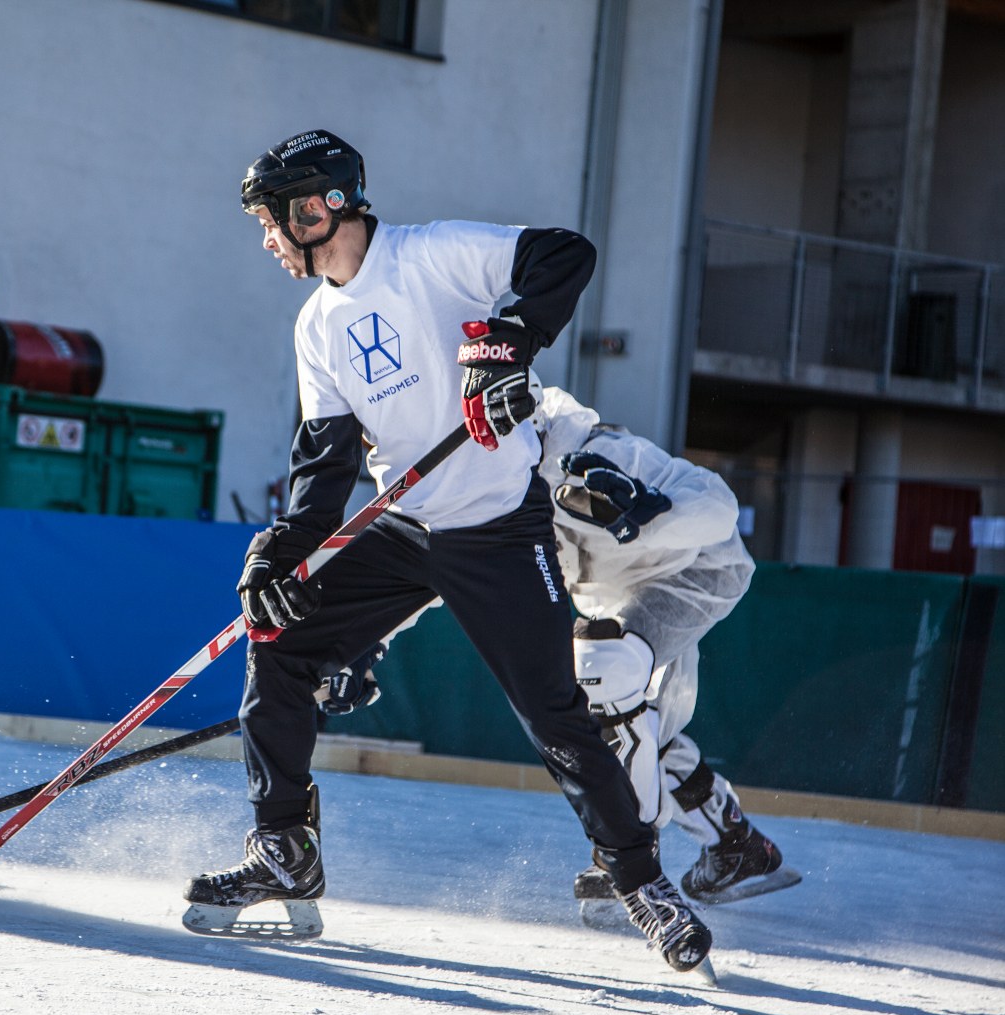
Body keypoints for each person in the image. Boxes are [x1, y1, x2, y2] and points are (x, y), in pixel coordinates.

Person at [180, 130, 711, 975]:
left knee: (554, 713)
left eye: (273, 222)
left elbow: (564, 254)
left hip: (497, 526)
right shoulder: (316, 327)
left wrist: (509, 339)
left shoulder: (431, 255)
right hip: (404, 526)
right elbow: (324, 468)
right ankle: (284, 850)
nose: (268, 240)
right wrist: (278, 554)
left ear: (317, 209)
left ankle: (640, 882)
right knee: (277, 642)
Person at [322, 382, 801, 926]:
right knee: (635, 726)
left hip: (693, 570)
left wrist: (649, 510)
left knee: (604, 673)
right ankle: (736, 845)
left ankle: (631, 858)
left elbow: (717, 504)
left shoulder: (593, 453)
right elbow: (437, 571)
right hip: (612, 596)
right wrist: (367, 639)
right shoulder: (477, 489)